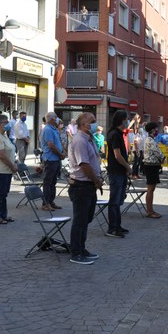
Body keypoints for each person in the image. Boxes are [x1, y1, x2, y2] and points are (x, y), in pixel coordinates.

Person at [67, 112, 104, 264]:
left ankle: (81, 248)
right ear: (84, 124)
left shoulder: (89, 138)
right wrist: (96, 180)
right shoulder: (80, 140)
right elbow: (84, 164)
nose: (95, 124)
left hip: (89, 185)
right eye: (92, 121)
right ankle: (76, 252)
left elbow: (94, 160)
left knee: (86, 219)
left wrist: (98, 178)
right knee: (80, 220)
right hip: (81, 185)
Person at [0, 113, 18, 224]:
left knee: (4, 193)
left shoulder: (4, 135)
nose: (8, 124)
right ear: (0, 124)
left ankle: (3, 215)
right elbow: (1, 155)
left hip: (7, 170)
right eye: (6, 122)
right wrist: (12, 165)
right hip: (0, 170)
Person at [106, 110, 131, 238]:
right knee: (114, 201)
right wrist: (127, 166)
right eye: (126, 119)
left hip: (120, 171)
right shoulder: (115, 134)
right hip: (116, 171)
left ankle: (117, 225)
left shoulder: (118, 133)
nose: (127, 122)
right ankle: (112, 228)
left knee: (119, 200)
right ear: (122, 120)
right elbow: (117, 155)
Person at [40, 111, 64, 211]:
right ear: (52, 119)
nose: (57, 119)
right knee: (48, 182)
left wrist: (63, 152)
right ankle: (45, 203)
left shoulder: (54, 129)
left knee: (53, 182)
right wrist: (60, 154)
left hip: (56, 159)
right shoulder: (48, 129)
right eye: (56, 117)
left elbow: (58, 143)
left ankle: (50, 201)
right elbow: (51, 145)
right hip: (50, 159)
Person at [142, 122, 164, 218]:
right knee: (150, 189)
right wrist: (162, 158)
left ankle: (150, 210)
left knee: (151, 189)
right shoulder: (150, 140)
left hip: (152, 165)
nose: (157, 130)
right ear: (152, 130)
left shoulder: (151, 139)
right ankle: (150, 211)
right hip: (151, 166)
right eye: (156, 129)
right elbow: (158, 152)